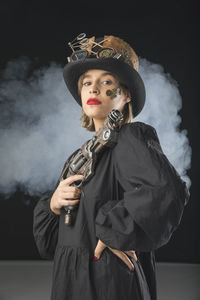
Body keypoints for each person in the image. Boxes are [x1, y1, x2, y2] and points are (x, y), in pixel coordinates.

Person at [33, 34, 190, 300]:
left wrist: (116, 233)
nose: (93, 89)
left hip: (109, 281)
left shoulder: (130, 137)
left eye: (106, 81)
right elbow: (49, 245)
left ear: (126, 94)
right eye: (86, 83)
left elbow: (166, 191)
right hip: (69, 282)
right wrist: (53, 205)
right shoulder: (77, 158)